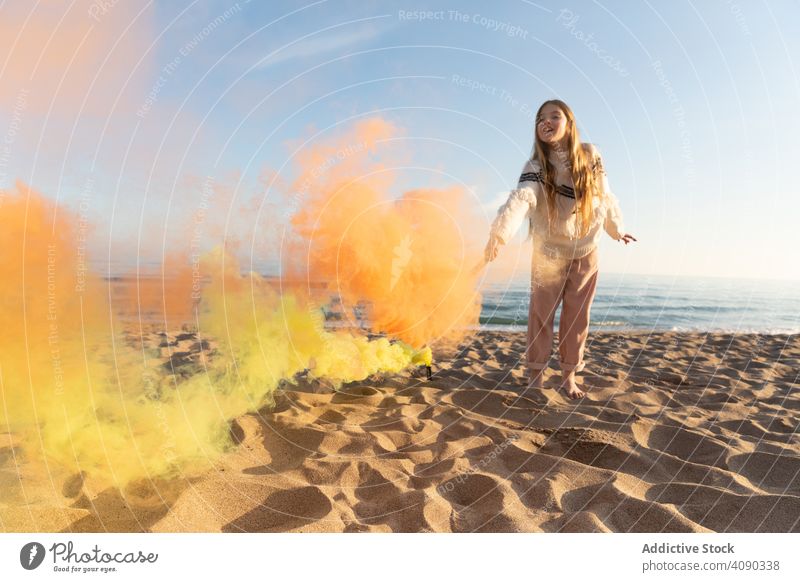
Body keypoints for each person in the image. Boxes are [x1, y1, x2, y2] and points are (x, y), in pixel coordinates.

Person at [484, 99, 636, 399]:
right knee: (540, 316)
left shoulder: (591, 155)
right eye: (540, 118)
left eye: (555, 116)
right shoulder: (536, 167)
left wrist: (616, 229)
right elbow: (522, 200)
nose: (546, 121)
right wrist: (499, 235)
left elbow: (604, 195)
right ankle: (536, 378)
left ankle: (569, 378)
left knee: (577, 317)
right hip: (548, 253)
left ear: (569, 123)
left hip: (586, 249)